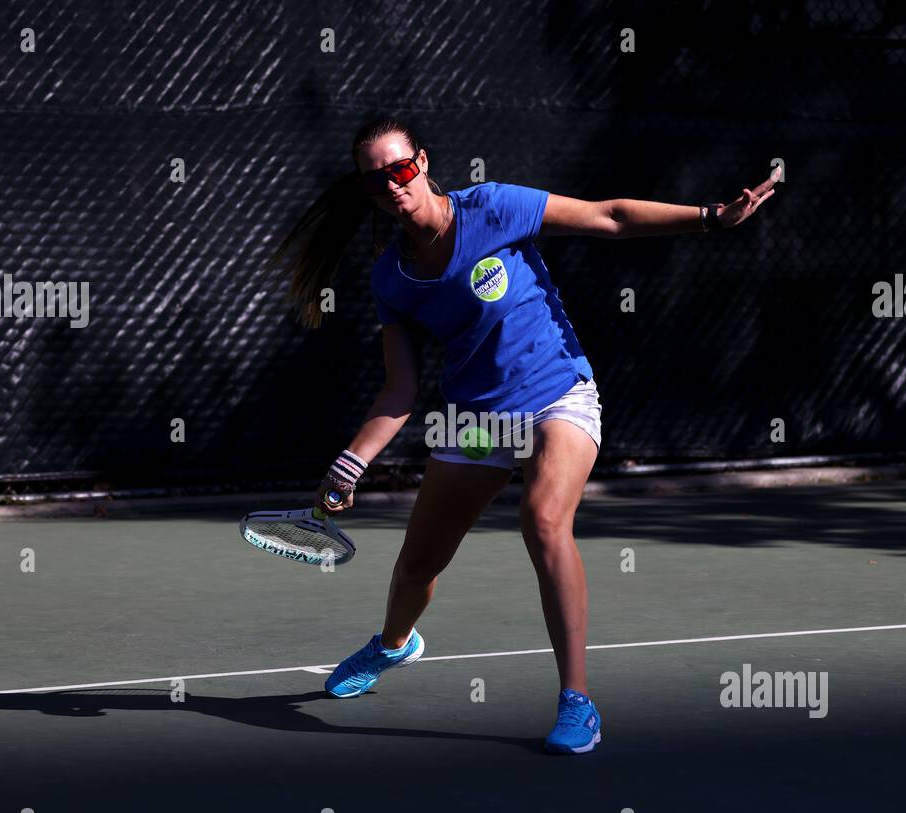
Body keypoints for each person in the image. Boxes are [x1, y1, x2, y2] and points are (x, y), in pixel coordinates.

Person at [271, 114, 775, 753]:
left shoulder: (494, 207)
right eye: (376, 180)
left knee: (542, 521)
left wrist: (710, 217)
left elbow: (610, 215)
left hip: (557, 393)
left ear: (422, 162)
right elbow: (399, 390)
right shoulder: (391, 278)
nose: (392, 185)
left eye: (400, 169)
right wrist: (351, 463)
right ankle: (395, 644)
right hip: (479, 421)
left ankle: (577, 701)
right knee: (418, 564)